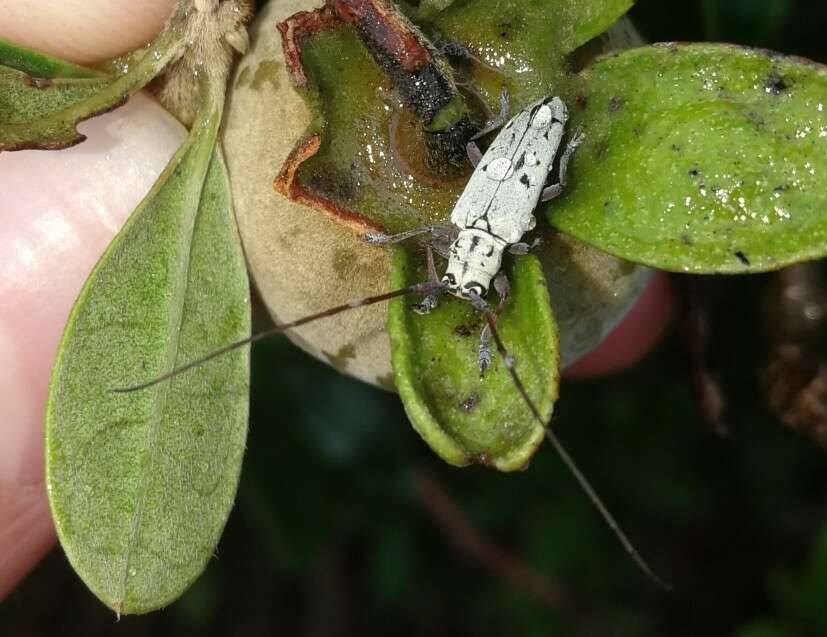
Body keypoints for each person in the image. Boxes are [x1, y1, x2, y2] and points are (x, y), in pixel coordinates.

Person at [0, 0, 672, 600]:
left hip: (515, 155)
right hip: (510, 167)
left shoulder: (463, 243)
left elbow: (493, 225)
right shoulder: (482, 245)